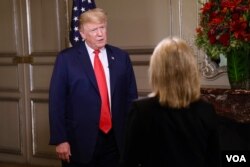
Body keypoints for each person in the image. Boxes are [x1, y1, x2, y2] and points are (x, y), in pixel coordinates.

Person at [49, 8, 138, 167]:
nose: (100, 33)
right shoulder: (66, 59)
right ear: (82, 34)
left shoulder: (121, 57)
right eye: (94, 29)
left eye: (102, 27)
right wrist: (60, 139)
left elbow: (131, 99)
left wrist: (132, 137)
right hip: (79, 141)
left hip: (115, 140)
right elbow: (57, 102)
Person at [121, 37, 220, 167]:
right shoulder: (206, 110)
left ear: (156, 71)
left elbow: (128, 162)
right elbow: (214, 161)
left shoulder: (141, 111)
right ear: (191, 71)